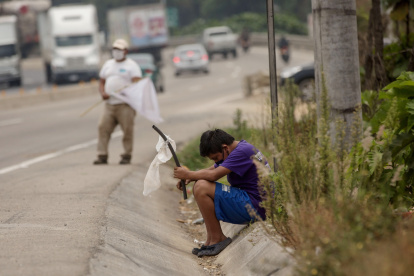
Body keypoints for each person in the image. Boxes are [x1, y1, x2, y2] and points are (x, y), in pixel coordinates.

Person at [173, 129, 270, 257]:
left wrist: (188, 174)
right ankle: (211, 240)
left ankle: (218, 239)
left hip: (256, 207)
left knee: (202, 187)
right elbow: (212, 169)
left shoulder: (241, 152)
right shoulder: (238, 148)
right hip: (255, 202)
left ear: (225, 148)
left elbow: (213, 175)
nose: (216, 162)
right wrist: (191, 177)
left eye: (216, 158)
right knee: (200, 183)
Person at [93, 39, 142, 165]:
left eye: (119, 49)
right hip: (110, 104)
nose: (117, 52)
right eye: (115, 49)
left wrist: (127, 92)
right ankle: (102, 155)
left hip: (125, 105)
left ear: (125, 51)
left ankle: (126, 155)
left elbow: (137, 83)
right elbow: (102, 81)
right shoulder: (108, 64)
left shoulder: (131, 66)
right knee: (103, 127)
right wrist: (103, 93)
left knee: (127, 130)